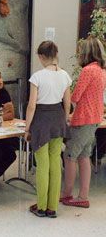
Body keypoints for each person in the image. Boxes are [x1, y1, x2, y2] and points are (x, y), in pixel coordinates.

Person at [25, 41, 71, 218]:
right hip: (58, 119)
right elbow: (67, 102)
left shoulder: (37, 77)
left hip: (42, 121)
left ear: (42, 56)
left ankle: (41, 206)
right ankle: (53, 207)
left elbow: (31, 106)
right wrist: (64, 119)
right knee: (55, 163)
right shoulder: (65, 75)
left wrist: (27, 128)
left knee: (42, 165)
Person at [61, 35, 106, 208]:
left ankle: (67, 194)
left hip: (83, 119)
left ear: (86, 52)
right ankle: (83, 196)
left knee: (70, 155)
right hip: (95, 118)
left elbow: (76, 95)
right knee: (84, 156)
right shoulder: (102, 70)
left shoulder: (88, 71)